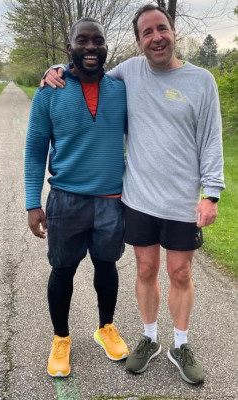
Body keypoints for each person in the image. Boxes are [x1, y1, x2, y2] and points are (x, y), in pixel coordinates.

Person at [42, 4, 225, 385]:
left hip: (180, 201)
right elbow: (87, 65)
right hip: (138, 198)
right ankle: (149, 339)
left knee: (179, 271)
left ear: (173, 32)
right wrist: (56, 69)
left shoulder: (202, 80)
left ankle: (181, 344)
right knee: (145, 269)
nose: (156, 37)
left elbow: (211, 140)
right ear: (139, 42)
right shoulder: (127, 74)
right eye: (146, 32)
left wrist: (212, 194)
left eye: (162, 28)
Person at [25, 17, 129, 378]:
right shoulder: (49, 89)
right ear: (69, 48)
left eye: (97, 41)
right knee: (63, 270)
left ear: (105, 47)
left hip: (111, 200)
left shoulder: (120, 88)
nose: (90, 47)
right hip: (66, 200)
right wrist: (32, 202)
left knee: (106, 266)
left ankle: (105, 327)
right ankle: (61, 338)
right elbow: (36, 149)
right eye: (82, 41)